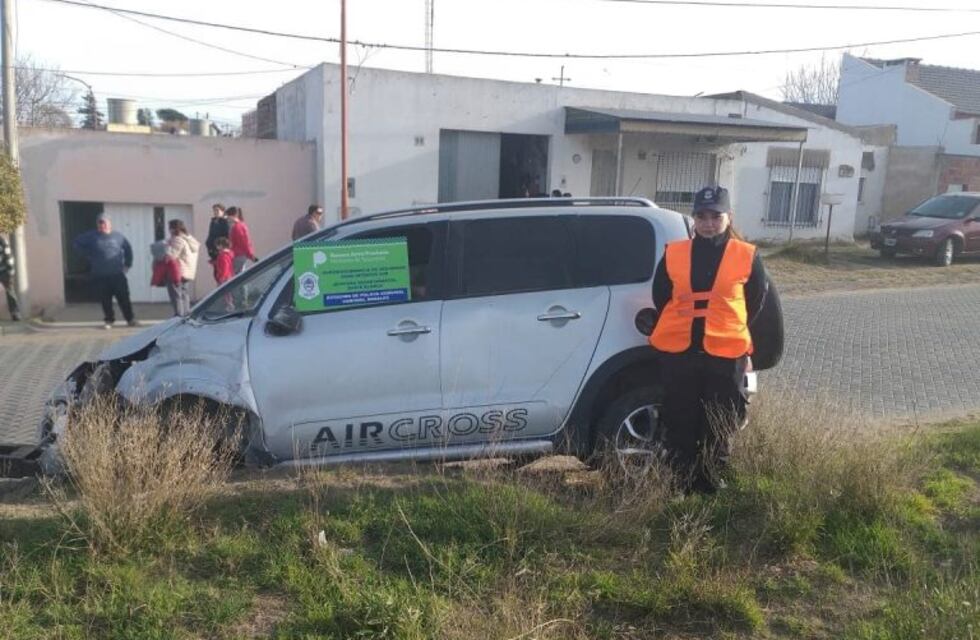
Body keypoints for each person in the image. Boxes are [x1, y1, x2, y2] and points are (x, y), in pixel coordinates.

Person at [649, 186, 767, 493]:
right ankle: (682, 483)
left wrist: (727, 324)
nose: (708, 223)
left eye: (715, 216)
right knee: (680, 418)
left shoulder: (747, 255)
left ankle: (713, 482)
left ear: (728, 216)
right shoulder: (674, 253)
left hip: (726, 353)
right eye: (701, 216)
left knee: (721, 419)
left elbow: (754, 301)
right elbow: (661, 296)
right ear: (694, 219)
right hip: (679, 351)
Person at [72, 213, 137, 329]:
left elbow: (128, 249)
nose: (102, 225)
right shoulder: (91, 236)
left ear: (109, 224)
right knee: (105, 300)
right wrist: (88, 255)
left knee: (124, 298)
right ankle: (109, 320)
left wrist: (127, 264)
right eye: (100, 223)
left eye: (104, 223)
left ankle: (130, 319)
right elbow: (76, 243)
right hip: (100, 276)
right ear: (97, 224)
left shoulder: (118, 237)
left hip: (117, 275)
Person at [166, 219, 200, 316]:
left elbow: (171, 255)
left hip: (178, 271)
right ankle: (186, 313)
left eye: (170, 228)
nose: (169, 230)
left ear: (173, 229)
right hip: (188, 271)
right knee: (184, 293)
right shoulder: (189, 239)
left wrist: (167, 245)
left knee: (176, 294)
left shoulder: (178, 239)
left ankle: (179, 315)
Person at [226, 206, 257, 274]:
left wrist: (251, 255)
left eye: (229, 216)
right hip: (238, 255)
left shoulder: (238, 227)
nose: (227, 218)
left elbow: (245, 243)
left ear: (235, 215)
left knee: (237, 278)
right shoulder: (237, 226)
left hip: (239, 256)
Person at [0, 232, 20, 321]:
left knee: (10, 291)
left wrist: (11, 271)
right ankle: (15, 313)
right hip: (4, 270)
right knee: (10, 292)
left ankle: (15, 313)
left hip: (4, 270)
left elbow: (8, 256)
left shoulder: (2, 241)